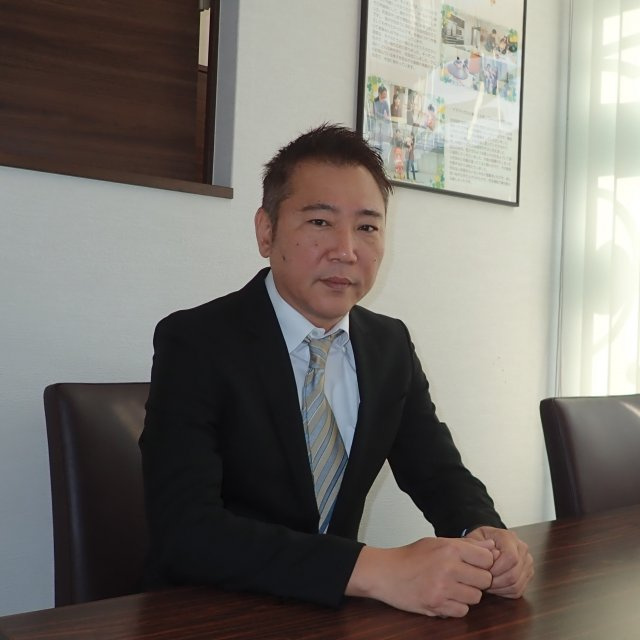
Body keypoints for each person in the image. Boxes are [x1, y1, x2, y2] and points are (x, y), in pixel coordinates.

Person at [140, 124, 533, 618]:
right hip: (209, 612)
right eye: (320, 222)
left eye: (367, 227)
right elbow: (186, 532)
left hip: (329, 617)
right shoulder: (196, 342)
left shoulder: (389, 345)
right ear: (266, 231)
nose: (346, 250)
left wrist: (484, 535)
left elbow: (437, 473)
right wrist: (377, 568)